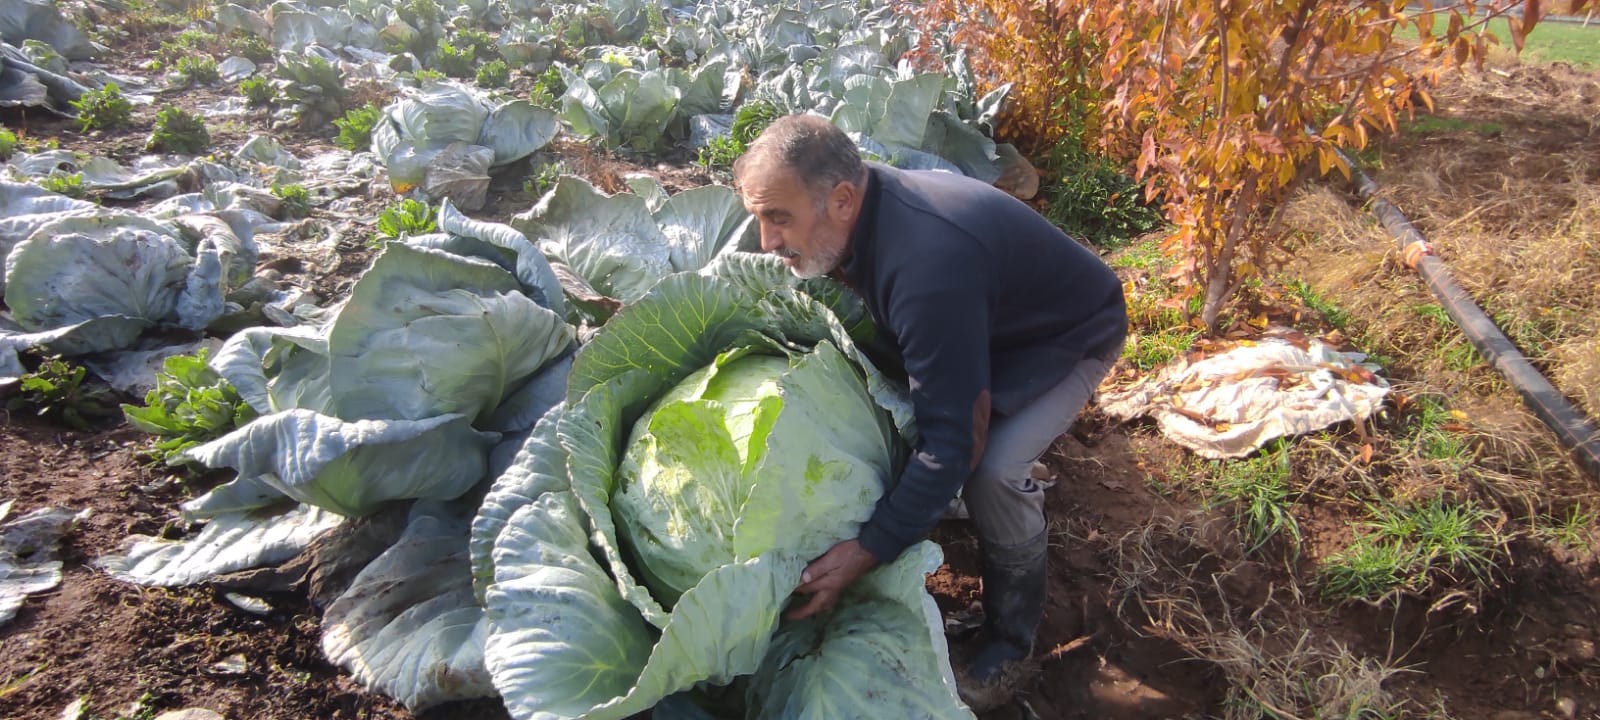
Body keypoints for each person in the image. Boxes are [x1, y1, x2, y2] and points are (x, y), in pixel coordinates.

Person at [733, 114, 1127, 707]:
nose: (766, 241)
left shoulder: (927, 266)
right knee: (915, 398)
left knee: (992, 469)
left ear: (842, 200)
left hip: (1066, 335)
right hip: (986, 323)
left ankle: (1010, 640)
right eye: (758, 217)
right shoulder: (859, 207)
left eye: (778, 218)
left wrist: (870, 547)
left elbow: (952, 442)